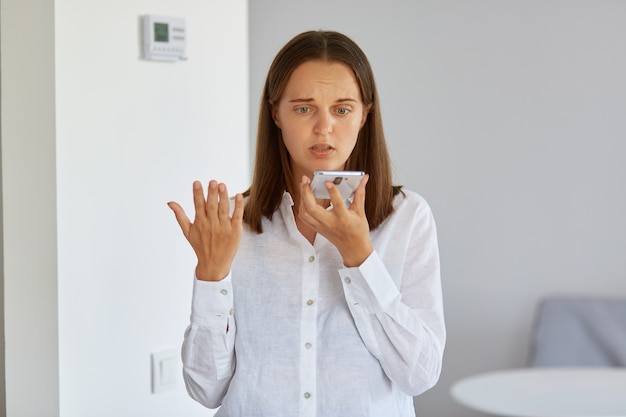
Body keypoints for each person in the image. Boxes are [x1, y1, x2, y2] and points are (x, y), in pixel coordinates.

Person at [168, 30, 445, 417]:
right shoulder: (234, 225)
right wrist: (210, 276)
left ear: (365, 114)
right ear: (275, 113)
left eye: (342, 109)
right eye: (303, 108)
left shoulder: (408, 217)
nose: (324, 127)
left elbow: (421, 374)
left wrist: (360, 257)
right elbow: (205, 390)